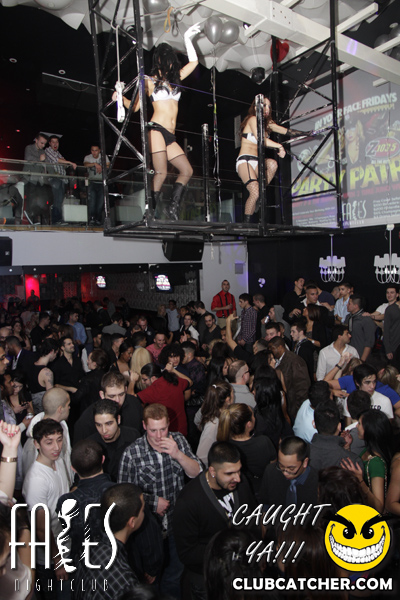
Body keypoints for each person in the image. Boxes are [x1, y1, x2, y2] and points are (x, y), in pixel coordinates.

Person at [115, 24, 201, 219]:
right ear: (159, 61)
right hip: (156, 129)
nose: (169, 65)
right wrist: (120, 97)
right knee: (161, 173)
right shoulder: (149, 80)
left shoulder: (176, 78)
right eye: (166, 61)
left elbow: (194, 62)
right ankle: (149, 212)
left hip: (170, 135)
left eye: (171, 61)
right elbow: (135, 107)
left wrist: (187, 39)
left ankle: (172, 208)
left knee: (187, 170)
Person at [119, 403, 201, 599]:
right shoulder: (132, 453)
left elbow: (197, 472)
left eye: (163, 429)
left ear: (168, 424)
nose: (158, 436)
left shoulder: (178, 440)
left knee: (175, 575)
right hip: (147, 530)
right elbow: (124, 495)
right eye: (153, 430)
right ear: (144, 426)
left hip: (176, 523)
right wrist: (152, 502)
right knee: (150, 580)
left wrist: (178, 455)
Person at [173, 441, 258, 599]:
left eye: (239, 471)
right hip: (207, 582)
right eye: (229, 473)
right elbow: (187, 553)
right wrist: (226, 552)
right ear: (212, 471)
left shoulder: (242, 483)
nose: (237, 478)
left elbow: (252, 517)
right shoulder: (189, 501)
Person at [22, 419, 70, 599]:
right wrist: (57, 560)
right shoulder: (37, 479)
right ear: (36, 444)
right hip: (50, 559)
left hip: (66, 546)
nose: (56, 447)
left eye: (59, 440)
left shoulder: (58, 461)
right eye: (49, 442)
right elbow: (41, 528)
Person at [74, 484, 145, 600]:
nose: (144, 514)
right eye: (143, 510)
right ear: (132, 522)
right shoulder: (126, 583)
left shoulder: (89, 546)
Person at [237, 96, 288, 221]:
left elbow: (286, 131)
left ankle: (260, 192)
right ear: (256, 107)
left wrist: (307, 133)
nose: (267, 109)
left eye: (269, 106)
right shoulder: (252, 119)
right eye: (264, 105)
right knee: (254, 192)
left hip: (257, 161)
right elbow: (261, 140)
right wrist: (279, 146)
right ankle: (247, 225)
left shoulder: (267, 124)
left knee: (273, 164)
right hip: (245, 161)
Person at [217, 403, 276, 496]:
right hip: (261, 491)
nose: (255, 417)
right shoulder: (264, 442)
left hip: (235, 493)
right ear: (249, 424)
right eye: (253, 415)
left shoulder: (220, 447)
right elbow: (273, 467)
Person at [342, 408, 393, 512]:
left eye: (359, 424)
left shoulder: (376, 463)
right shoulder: (368, 451)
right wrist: (347, 448)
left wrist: (360, 480)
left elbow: (379, 507)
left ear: (370, 429)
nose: (356, 426)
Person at [259, 436, 319, 509]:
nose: (285, 473)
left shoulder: (319, 482)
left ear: (305, 462)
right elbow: (264, 501)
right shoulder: (271, 471)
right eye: (281, 466)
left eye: (291, 468)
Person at [89, 398, 140, 481]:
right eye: (99, 425)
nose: (104, 430)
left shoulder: (133, 436)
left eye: (109, 424)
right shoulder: (90, 445)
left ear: (118, 419)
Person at [195, 380, 233, 466]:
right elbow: (201, 456)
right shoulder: (213, 425)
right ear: (228, 400)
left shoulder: (211, 409)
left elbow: (196, 420)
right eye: (232, 393)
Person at [45, 135, 77, 224]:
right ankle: (55, 219)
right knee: (56, 199)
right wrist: (69, 162)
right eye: (53, 142)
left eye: (57, 142)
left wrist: (65, 162)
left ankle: (58, 219)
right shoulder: (48, 150)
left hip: (62, 179)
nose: (55, 144)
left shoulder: (58, 153)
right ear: (50, 143)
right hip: (54, 178)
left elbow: (64, 164)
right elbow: (57, 160)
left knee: (60, 200)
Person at [83, 144, 110, 226]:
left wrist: (101, 166)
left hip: (102, 182)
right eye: (92, 150)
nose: (94, 152)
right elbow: (85, 164)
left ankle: (98, 219)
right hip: (92, 182)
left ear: (99, 151)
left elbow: (108, 165)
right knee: (92, 201)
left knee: (100, 203)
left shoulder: (104, 157)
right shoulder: (88, 157)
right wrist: (95, 164)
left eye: (96, 150)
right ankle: (92, 218)